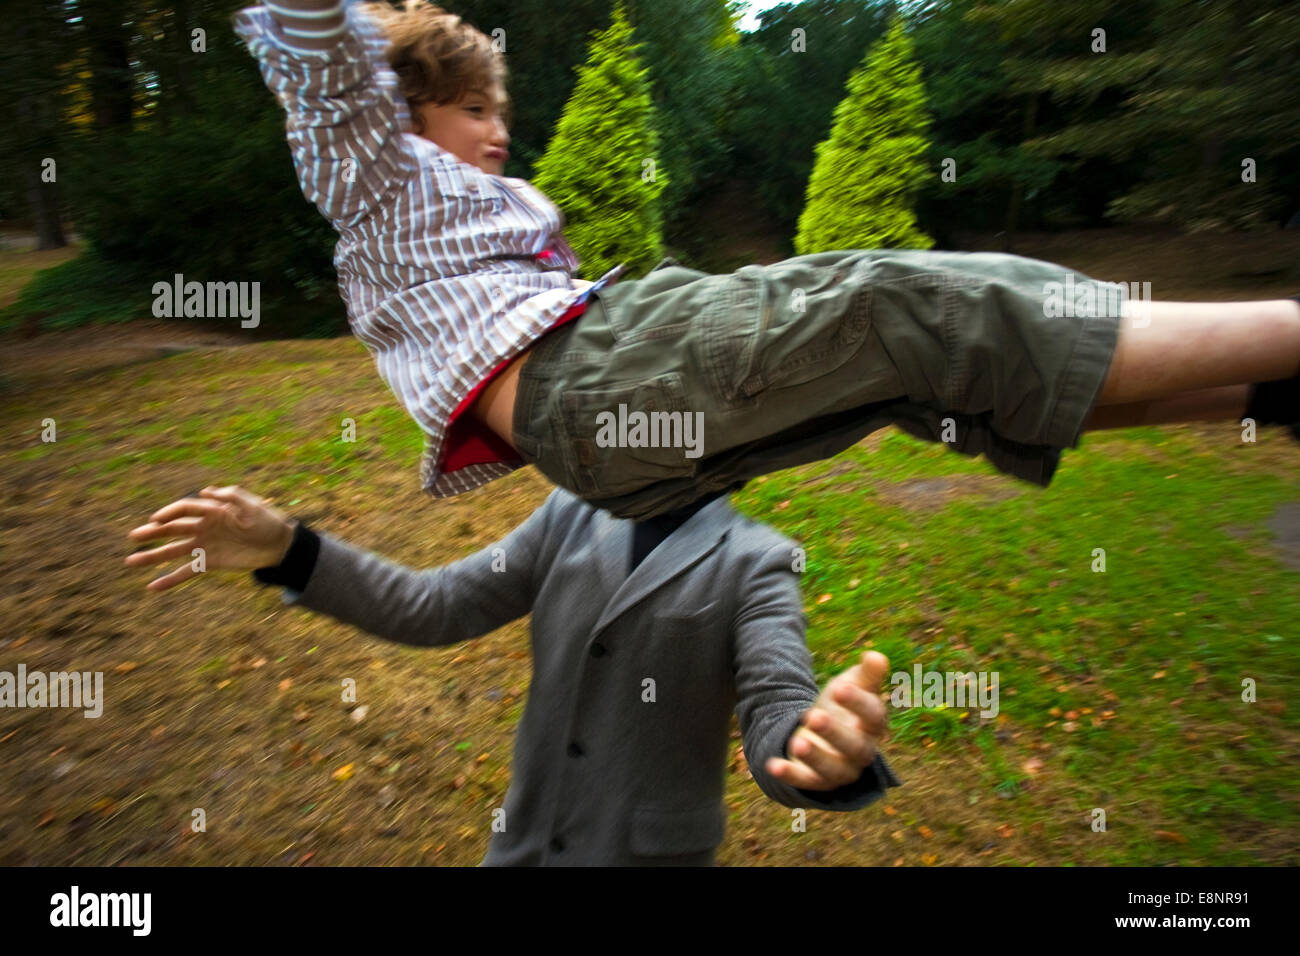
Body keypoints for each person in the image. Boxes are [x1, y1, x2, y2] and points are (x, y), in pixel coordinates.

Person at [232, 1, 1300, 521]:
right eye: (473, 109)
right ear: (398, 114)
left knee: (916, 377)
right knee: (897, 302)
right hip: (591, 381)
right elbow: (317, 55)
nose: (499, 131)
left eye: (498, 110)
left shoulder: (456, 207)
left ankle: (1263, 391)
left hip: (606, 426)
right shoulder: (374, 168)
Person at [124, 483, 901, 865]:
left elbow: (776, 698)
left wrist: (812, 748)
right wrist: (292, 549)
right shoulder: (571, 513)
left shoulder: (757, 560)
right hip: (525, 847)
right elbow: (436, 605)